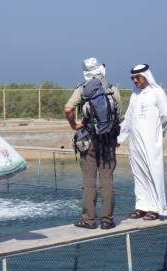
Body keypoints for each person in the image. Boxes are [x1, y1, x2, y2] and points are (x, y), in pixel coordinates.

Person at [64, 58, 122, 230]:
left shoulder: (81, 90)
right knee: (107, 180)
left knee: (89, 180)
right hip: (108, 140)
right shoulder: (113, 90)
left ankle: (89, 220)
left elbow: (68, 109)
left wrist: (74, 125)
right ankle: (107, 220)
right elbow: (119, 118)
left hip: (88, 139)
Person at [117, 64, 167, 221]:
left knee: (153, 172)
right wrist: (119, 138)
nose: (135, 80)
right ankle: (142, 206)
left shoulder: (157, 92)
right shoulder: (135, 94)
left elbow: (166, 116)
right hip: (135, 143)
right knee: (138, 173)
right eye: (133, 78)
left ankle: (155, 208)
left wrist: (157, 133)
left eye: (138, 77)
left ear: (146, 77)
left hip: (151, 142)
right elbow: (128, 118)